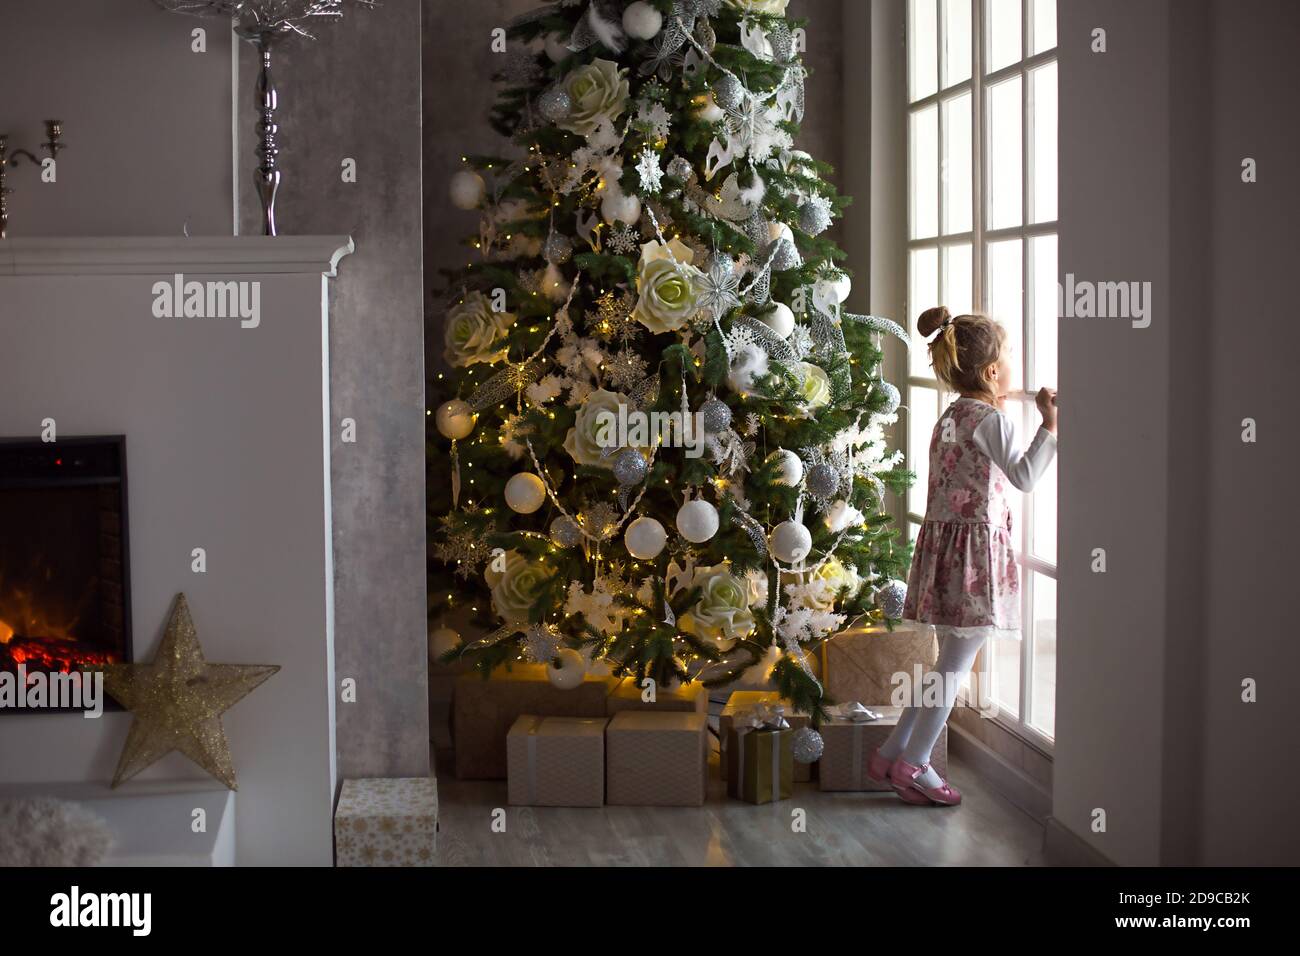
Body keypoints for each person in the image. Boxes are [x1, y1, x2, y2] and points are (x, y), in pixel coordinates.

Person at [868, 306, 1058, 806]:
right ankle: (916, 763)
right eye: (1009, 357)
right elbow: (1024, 477)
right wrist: (1050, 428)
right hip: (973, 557)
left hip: (947, 550)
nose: (1012, 365)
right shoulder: (990, 419)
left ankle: (892, 752)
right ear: (992, 372)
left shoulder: (951, 414)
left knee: (946, 662)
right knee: (954, 667)